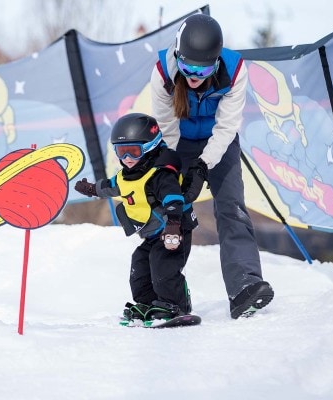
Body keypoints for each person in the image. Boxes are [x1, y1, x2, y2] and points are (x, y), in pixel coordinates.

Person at [150, 13, 274, 319]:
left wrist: (203, 166)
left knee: (231, 207)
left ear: (216, 62)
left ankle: (244, 284)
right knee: (171, 211)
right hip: (178, 142)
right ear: (177, 56)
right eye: (187, 66)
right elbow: (167, 132)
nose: (193, 75)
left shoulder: (235, 70)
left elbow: (226, 127)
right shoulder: (163, 74)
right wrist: (177, 173)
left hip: (220, 142)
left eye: (203, 68)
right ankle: (166, 296)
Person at [74, 113, 198, 326]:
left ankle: (174, 304)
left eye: (134, 151)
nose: (128, 158)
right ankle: (149, 303)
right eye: (121, 152)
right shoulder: (127, 174)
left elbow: (173, 199)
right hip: (153, 233)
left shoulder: (160, 174)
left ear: (150, 147)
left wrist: (174, 225)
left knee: (163, 264)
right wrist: (92, 189)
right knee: (139, 264)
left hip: (173, 230)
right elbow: (111, 186)